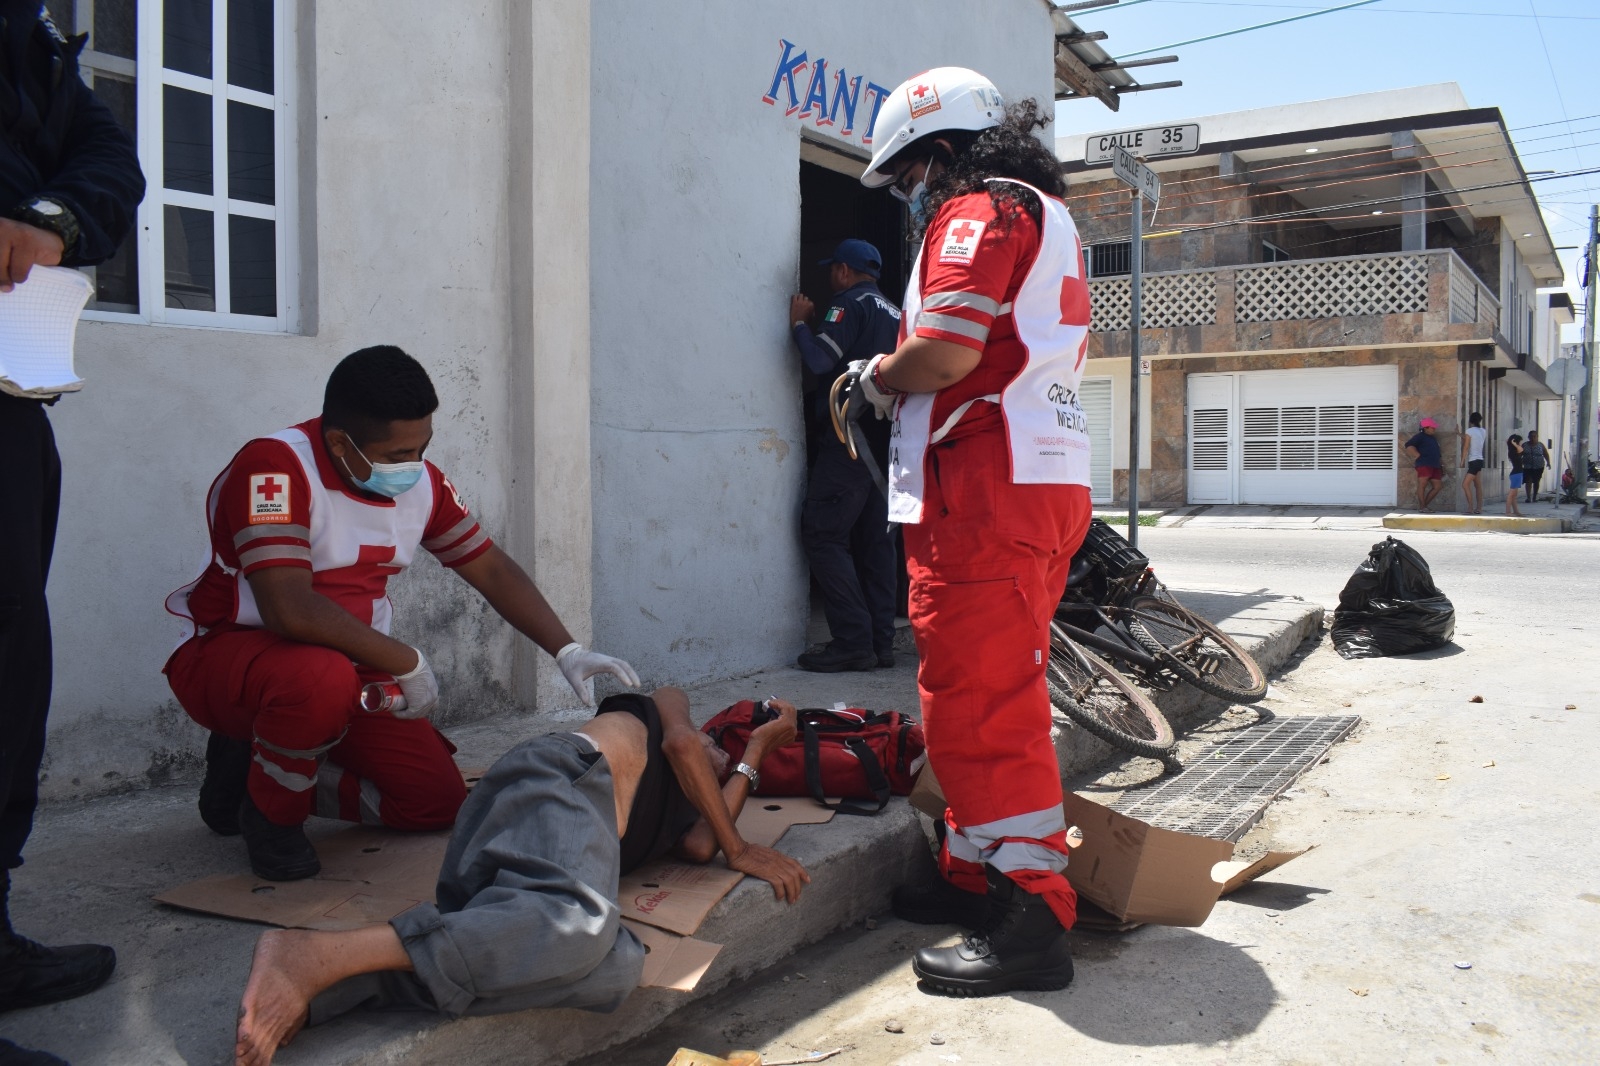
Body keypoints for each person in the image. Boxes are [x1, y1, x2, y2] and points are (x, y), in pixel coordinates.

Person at [163, 346, 640, 883]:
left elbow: (491, 569)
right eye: (395, 454)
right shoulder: (273, 466)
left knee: (432, 803)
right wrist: (405, 660)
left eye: (422, 448)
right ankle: (273, 817)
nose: (411, 466)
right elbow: (287, 609)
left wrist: (567, 649)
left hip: (349, 663)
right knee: (317, 678)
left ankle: (258, 768)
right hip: (233, 657)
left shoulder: (422, 482)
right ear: (340, 442)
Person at [842, 68, 1091, 998]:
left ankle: (1031, 911)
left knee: (985, 701)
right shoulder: (1046, 216)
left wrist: (871, 378)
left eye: (910, 174)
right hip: (1039, 482)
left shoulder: (975, 212)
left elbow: (946, 351)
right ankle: (973, 876)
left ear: (940, 152)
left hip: (984, 492)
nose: (912, 195)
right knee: (976, 686)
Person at [231, 689, 809, 1066]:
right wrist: (741, 845)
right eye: (719, 744)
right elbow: (686, 745)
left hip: (544, 853)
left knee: (614, 969)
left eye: (721, 759)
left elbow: (701, 842)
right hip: (558, 780)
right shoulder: (666, 711)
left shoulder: (683, 814)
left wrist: (754, 752)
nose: (713, 753)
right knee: (577, 925)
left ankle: (347, 981)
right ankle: (306, 955)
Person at [0, 5, 145, 1062]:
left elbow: (104, 152)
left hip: (9, 383)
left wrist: (50, 213)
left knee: (10, 661)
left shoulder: (26, 33)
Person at [789, 239, 903, 672]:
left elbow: (820, 361)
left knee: (823, 534)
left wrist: (801, 324)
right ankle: (881, 643)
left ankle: (853, 642)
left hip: (847, 440)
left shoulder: (848, 305)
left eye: (831, 268)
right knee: (876, 544)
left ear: (842, 270)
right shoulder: (895, 312)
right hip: (885, 446)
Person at [1402, 418, 1445, 512]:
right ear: (1426, 428)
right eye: (1432, 427)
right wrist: (1417, 455)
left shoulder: (1433, 438)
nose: (1434, 429)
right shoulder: (1420, 436)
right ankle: (1422, 507)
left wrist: (1441, 466)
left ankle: (1424, 506)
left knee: (1437, 486)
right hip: (1424, 464)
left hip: (1435, 465)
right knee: (1422, 485)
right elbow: (1408, 445)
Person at [1460, 411, 1487, 515]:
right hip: (1480, 460)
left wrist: (1462, 460)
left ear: (1470, 421)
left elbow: (1466, 446)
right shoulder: (1483, 431)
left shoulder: (1469, 431)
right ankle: (1479, 508)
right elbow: (1471, 439)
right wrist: (1459, 434)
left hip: (1473, 461)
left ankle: (1470, 508)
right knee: (1477, 485)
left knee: (1465, 484)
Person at [1521, 430, 1548, 503]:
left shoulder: (1540, 445)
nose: (1532, 438)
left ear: (1537, 437)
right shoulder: (1524, 445)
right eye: (1531, 437)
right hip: (1527, 466)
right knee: (1528, 481)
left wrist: (1548, 462)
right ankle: (1528, 497)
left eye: (1534, 436)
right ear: (1528, 437)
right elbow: (1519, 454)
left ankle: (1534, 496)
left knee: (1536, 481)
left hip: (1538, 466)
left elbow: (1545, 454)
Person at [1505, 433, 1525, 516]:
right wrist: (1514, 444)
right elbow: (1521, 449)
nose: (1521, 444)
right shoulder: (1514, 452)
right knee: (1511, 494)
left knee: (1514, 495)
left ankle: (1516, 511)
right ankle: (1508, 511)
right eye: (1519, 442)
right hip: (1516, 474)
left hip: (1518, 473)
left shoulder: (1514, 452)